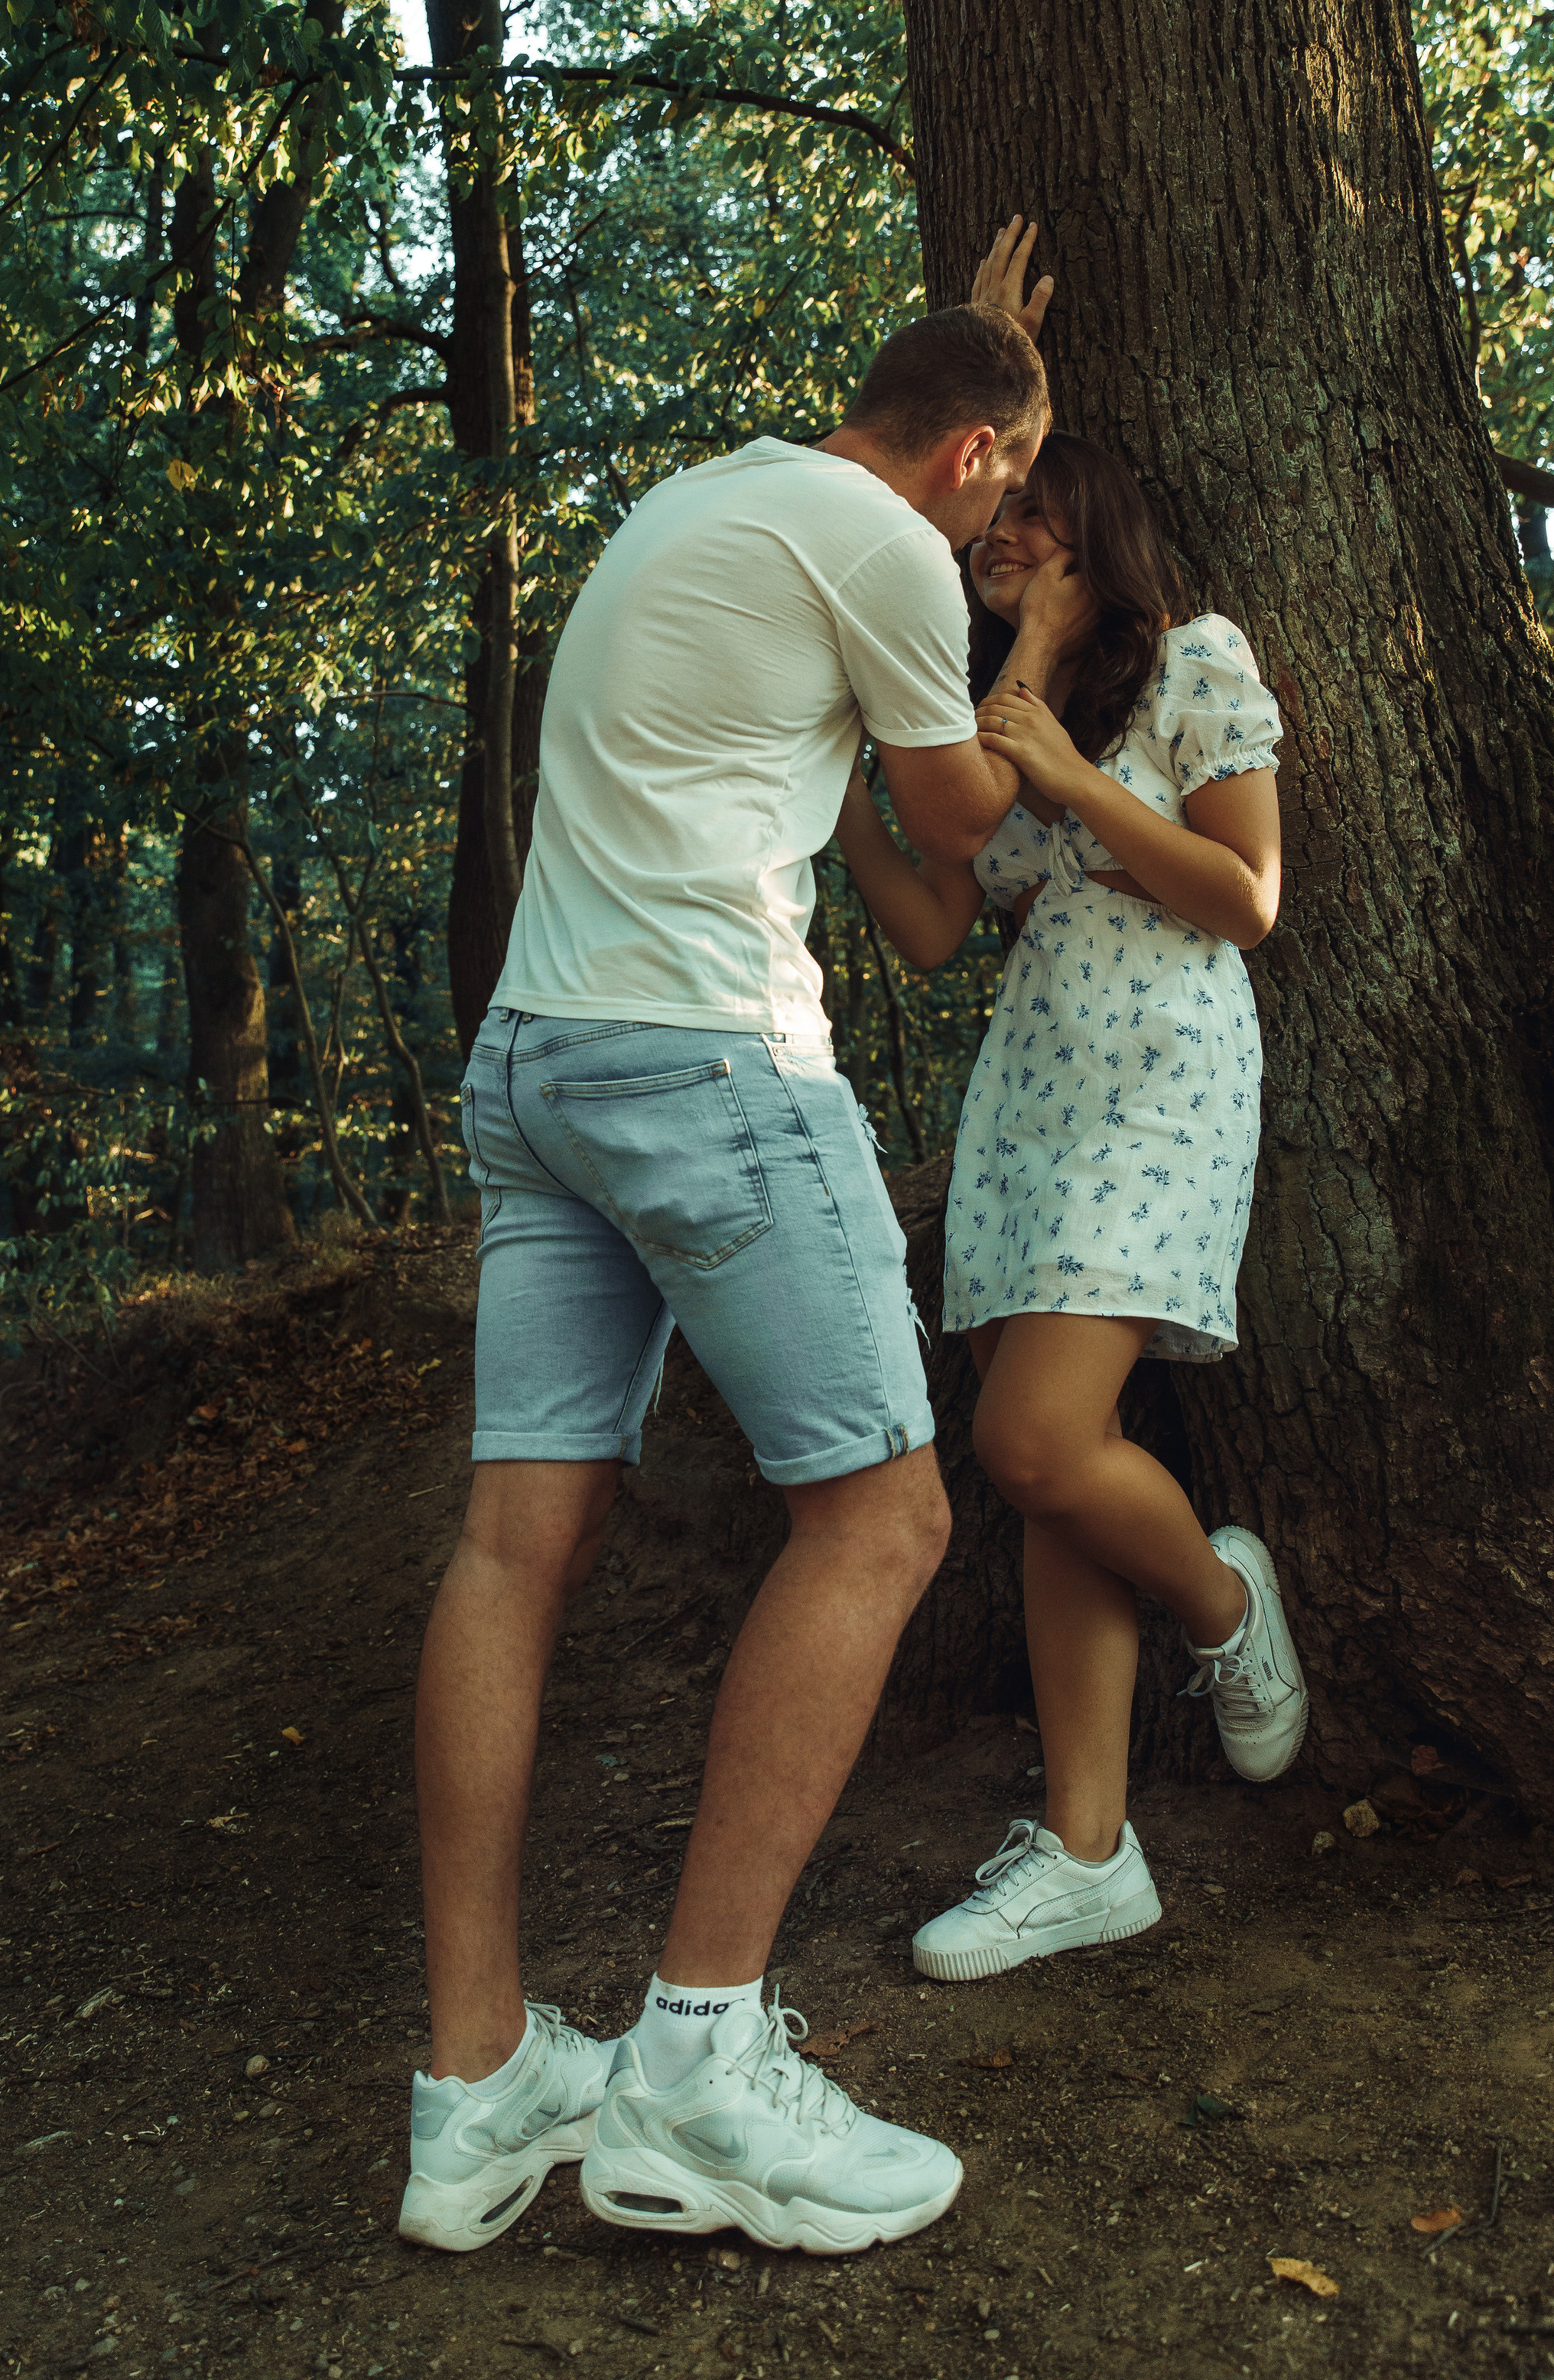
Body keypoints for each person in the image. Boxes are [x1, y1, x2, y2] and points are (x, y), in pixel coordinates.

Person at [401, 222, 1064, 2258]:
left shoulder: (708, 496)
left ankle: (478, 2083)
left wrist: (984, 375)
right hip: (704, 1060)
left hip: (542, 1063)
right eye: (1010, 499)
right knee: (881, 1519)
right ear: (967, 465)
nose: (1007, 532)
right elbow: (955, 826)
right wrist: (1024, 652)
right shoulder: (881, 542)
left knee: (519, 1539)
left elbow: (821, 719)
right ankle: (699, 2061)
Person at [831, 433, 1307, 1986]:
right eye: (996, 510)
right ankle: (1089, 1852)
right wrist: (841, 807)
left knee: (1028, 1444)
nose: (1000, 528)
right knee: (1050, 1475)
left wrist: (1072, 777)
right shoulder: (997, 714)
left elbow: (1244, 899)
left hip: (1161, 1077)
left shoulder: (1193, 661)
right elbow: (929, 931)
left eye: (1032, 511)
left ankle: (1222, 1606)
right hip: (1026, 1094)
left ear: (1096, 536)